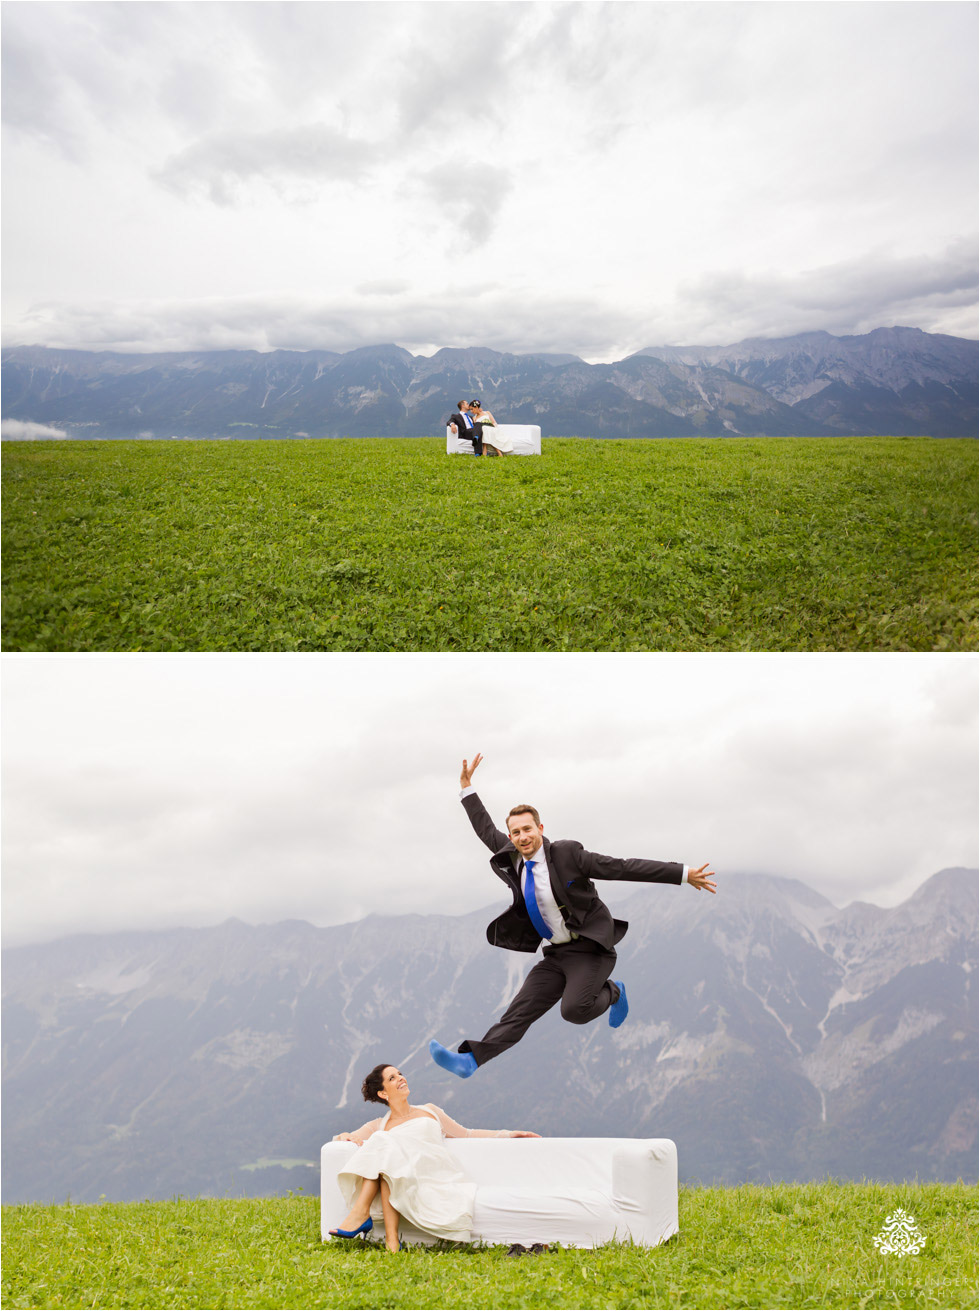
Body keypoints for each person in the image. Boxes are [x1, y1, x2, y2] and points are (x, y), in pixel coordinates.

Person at [429, 754, 717, 1078]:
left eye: (527, 829)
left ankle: (614, 991)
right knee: (519, 1013)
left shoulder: (567, 854)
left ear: (539, 828)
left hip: (590, 949)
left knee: (574, 1011)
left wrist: (682, 873)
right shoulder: (512, 858)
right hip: (555, 953)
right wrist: (466, 788)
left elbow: (621, 867)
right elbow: (484, 829)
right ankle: (470, 1061)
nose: (522, 837)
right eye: (515, 833)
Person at [329, 1063, 540, 1251]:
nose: (401, 1078)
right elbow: (349, 1137)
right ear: (383, 1093)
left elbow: (466, 1133)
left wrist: (508, 1134)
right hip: (403, 1182)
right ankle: (391, 1241)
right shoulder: (378, 1126)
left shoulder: (429, 1111)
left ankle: (360, 1214)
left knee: (382, 1144)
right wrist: (345, 1136)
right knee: (383, 1147)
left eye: (400, 1073)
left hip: (434, 1178)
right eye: (392, 1078)